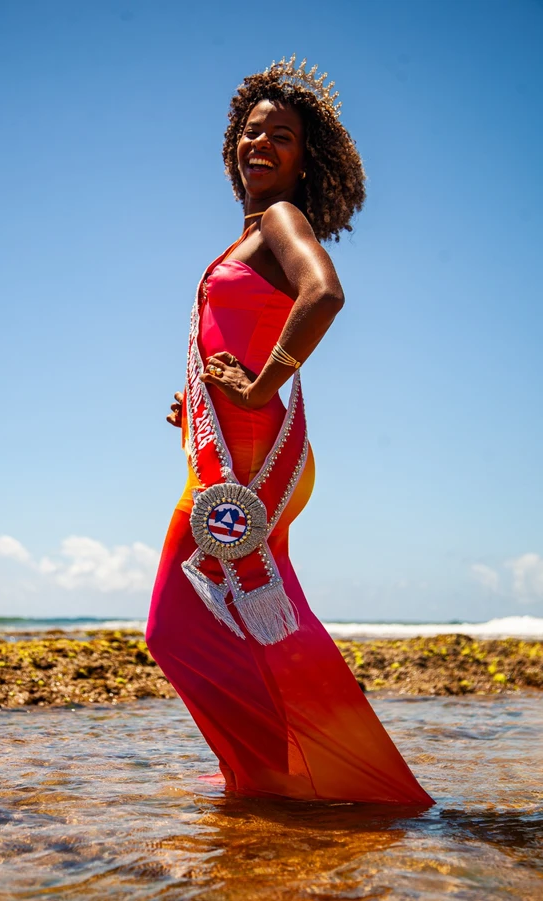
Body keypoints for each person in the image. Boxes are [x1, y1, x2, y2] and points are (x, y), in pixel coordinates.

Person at [146, 56, 433, 804]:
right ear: (230, 145)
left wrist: (263, 381)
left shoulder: (280, 221)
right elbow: (240, 331)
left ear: (305, 160)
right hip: (234, 442)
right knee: (257, 617)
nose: (261, 144)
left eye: (282, 136)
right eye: (251, 131)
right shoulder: (246, 235)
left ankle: (276, 773)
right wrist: (200, 398)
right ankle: (290, 769)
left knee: (174, 626)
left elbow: (325, 293)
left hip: (252, 455)